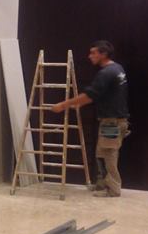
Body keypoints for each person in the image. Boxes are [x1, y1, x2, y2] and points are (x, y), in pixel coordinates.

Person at [51, 40, 129, 197]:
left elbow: (89, 95)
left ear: (103, 54)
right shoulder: (118, 68)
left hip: (111, 122)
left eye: (93, 53)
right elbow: (100, 95)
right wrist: (79, 103)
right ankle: (102, 184)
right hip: (114, 120)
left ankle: (113, 189)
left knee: (109, 154)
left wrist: (64, 105)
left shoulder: (106, 73)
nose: (90, 56)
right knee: (101, 153)